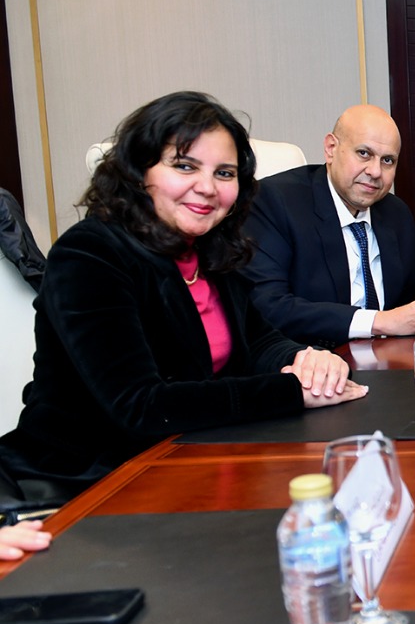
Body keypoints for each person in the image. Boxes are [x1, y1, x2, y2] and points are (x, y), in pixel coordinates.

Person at [0, 91, 366, 506]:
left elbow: (259, 340)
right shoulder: (89, 254)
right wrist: (290, 391)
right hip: (84, 482)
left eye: (224, 173)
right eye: (185, 166)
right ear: (139, 170)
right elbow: (141, 406)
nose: (207, 188)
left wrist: (306, 358)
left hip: (191, 460)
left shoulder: (210, 249)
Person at [242, 104, 415, 348]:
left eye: (388, 160)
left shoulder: (394, 212)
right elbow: (269, 307)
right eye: (364, 153)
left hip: (390, 357)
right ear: (331, 148)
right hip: (315, 359)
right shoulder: (275, 202)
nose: (375, 172)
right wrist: (379, 321)